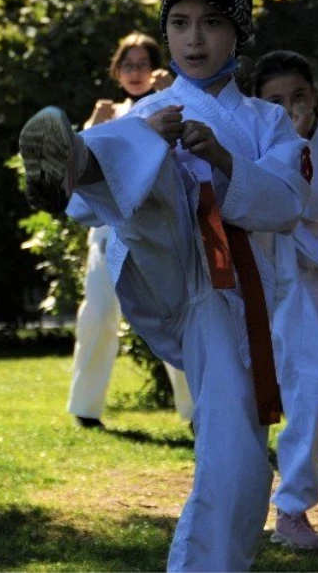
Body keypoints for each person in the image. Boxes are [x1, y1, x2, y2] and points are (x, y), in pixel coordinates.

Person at [19, 0, 310, 572]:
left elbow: (285, 204)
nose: (194, 38)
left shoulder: (265, 121)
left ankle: (87, 165)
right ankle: (78, 162)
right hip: (168, 273)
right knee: (147, 144)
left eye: (210, 23)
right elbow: (86, 215)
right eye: (179, 24)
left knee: (235, 461)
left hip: (231, 298)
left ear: (239, 34)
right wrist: (152, 135)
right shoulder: (151, 106)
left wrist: (228, 161)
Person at [252, 50, 318, 551]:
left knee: (317, 382)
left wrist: (295, 149)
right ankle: (236, 499)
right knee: (242, 392)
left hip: (306, 277)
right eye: (276, 100)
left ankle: (292, 507)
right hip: (251, 268)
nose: (291, 107)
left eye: (299, 96)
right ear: (260, 106)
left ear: (315, 97)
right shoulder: (249, 142)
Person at [68, 32, 193, 429]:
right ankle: (86, 410)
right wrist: (91, 124)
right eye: (128, 65)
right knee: (100, 315)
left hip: (158, 232)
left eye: (143, 64)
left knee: (178, 317)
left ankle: (197, 410)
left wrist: (175, 93)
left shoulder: (173, 103)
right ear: (117, 71)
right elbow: (77, 175)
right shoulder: (108, 115)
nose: (136, 72)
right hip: (108, 233)